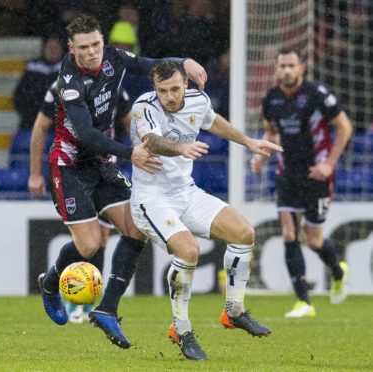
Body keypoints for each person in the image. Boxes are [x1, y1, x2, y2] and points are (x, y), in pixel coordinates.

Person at [37, 13, 207, 349]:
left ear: (103, 40)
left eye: (96, 44)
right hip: (70, 166)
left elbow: (149, 65)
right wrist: (133, 154)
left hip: (101, 164)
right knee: (89, 246)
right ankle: (50, 281)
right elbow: (85, 134)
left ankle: (107, 309)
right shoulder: (69, 81)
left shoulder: (113, 57)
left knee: (136, 229)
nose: (91, 52)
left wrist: (183, 61)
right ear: (71, 48)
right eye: (83, 47)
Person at [129, 60, 280, 360]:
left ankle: (234, 311)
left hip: (185, 192)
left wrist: (248, 141)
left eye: (175, 88)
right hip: (151, 198)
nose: (170, 97)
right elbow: (152, 141)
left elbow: (212, 121)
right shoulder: (144, 107)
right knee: (189, 250)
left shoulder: (198, 99)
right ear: (154, 89)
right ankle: (181, 329)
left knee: (243, 233)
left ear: (186, 83)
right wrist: (180, 148)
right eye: (163, 91)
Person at [251, 48, 352, 318]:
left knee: (314, 240)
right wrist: (261, 156)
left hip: (317, 173)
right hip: (287, 173)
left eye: (291, 66)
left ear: (301, 68)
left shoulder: (318, 95)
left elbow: (344, 127)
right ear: (276, 70)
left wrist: (329, 163)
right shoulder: (271, 99)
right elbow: (271, 132)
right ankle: (303, 301)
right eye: (282, 66)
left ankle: (338, 270)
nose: (286, 70)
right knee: (288, 232)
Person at [28, 80, 133, 323]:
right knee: (88, 243)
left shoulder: (116, 86)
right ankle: (64, 291)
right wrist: (34, 173)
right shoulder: (60, 87)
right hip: (72, 170)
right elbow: (40, 127)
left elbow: (131, 125)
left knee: (109, 238)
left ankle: (90, 304)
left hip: (106, 171)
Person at [13, 36, 63, 130]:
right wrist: (33, 116)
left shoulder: (68, 70)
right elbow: (20, 97)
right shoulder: (32, 69)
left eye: (56, 48)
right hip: (31, 123)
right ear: (43, 49)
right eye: (50, 48)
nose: (53, 51)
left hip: (59, 125)